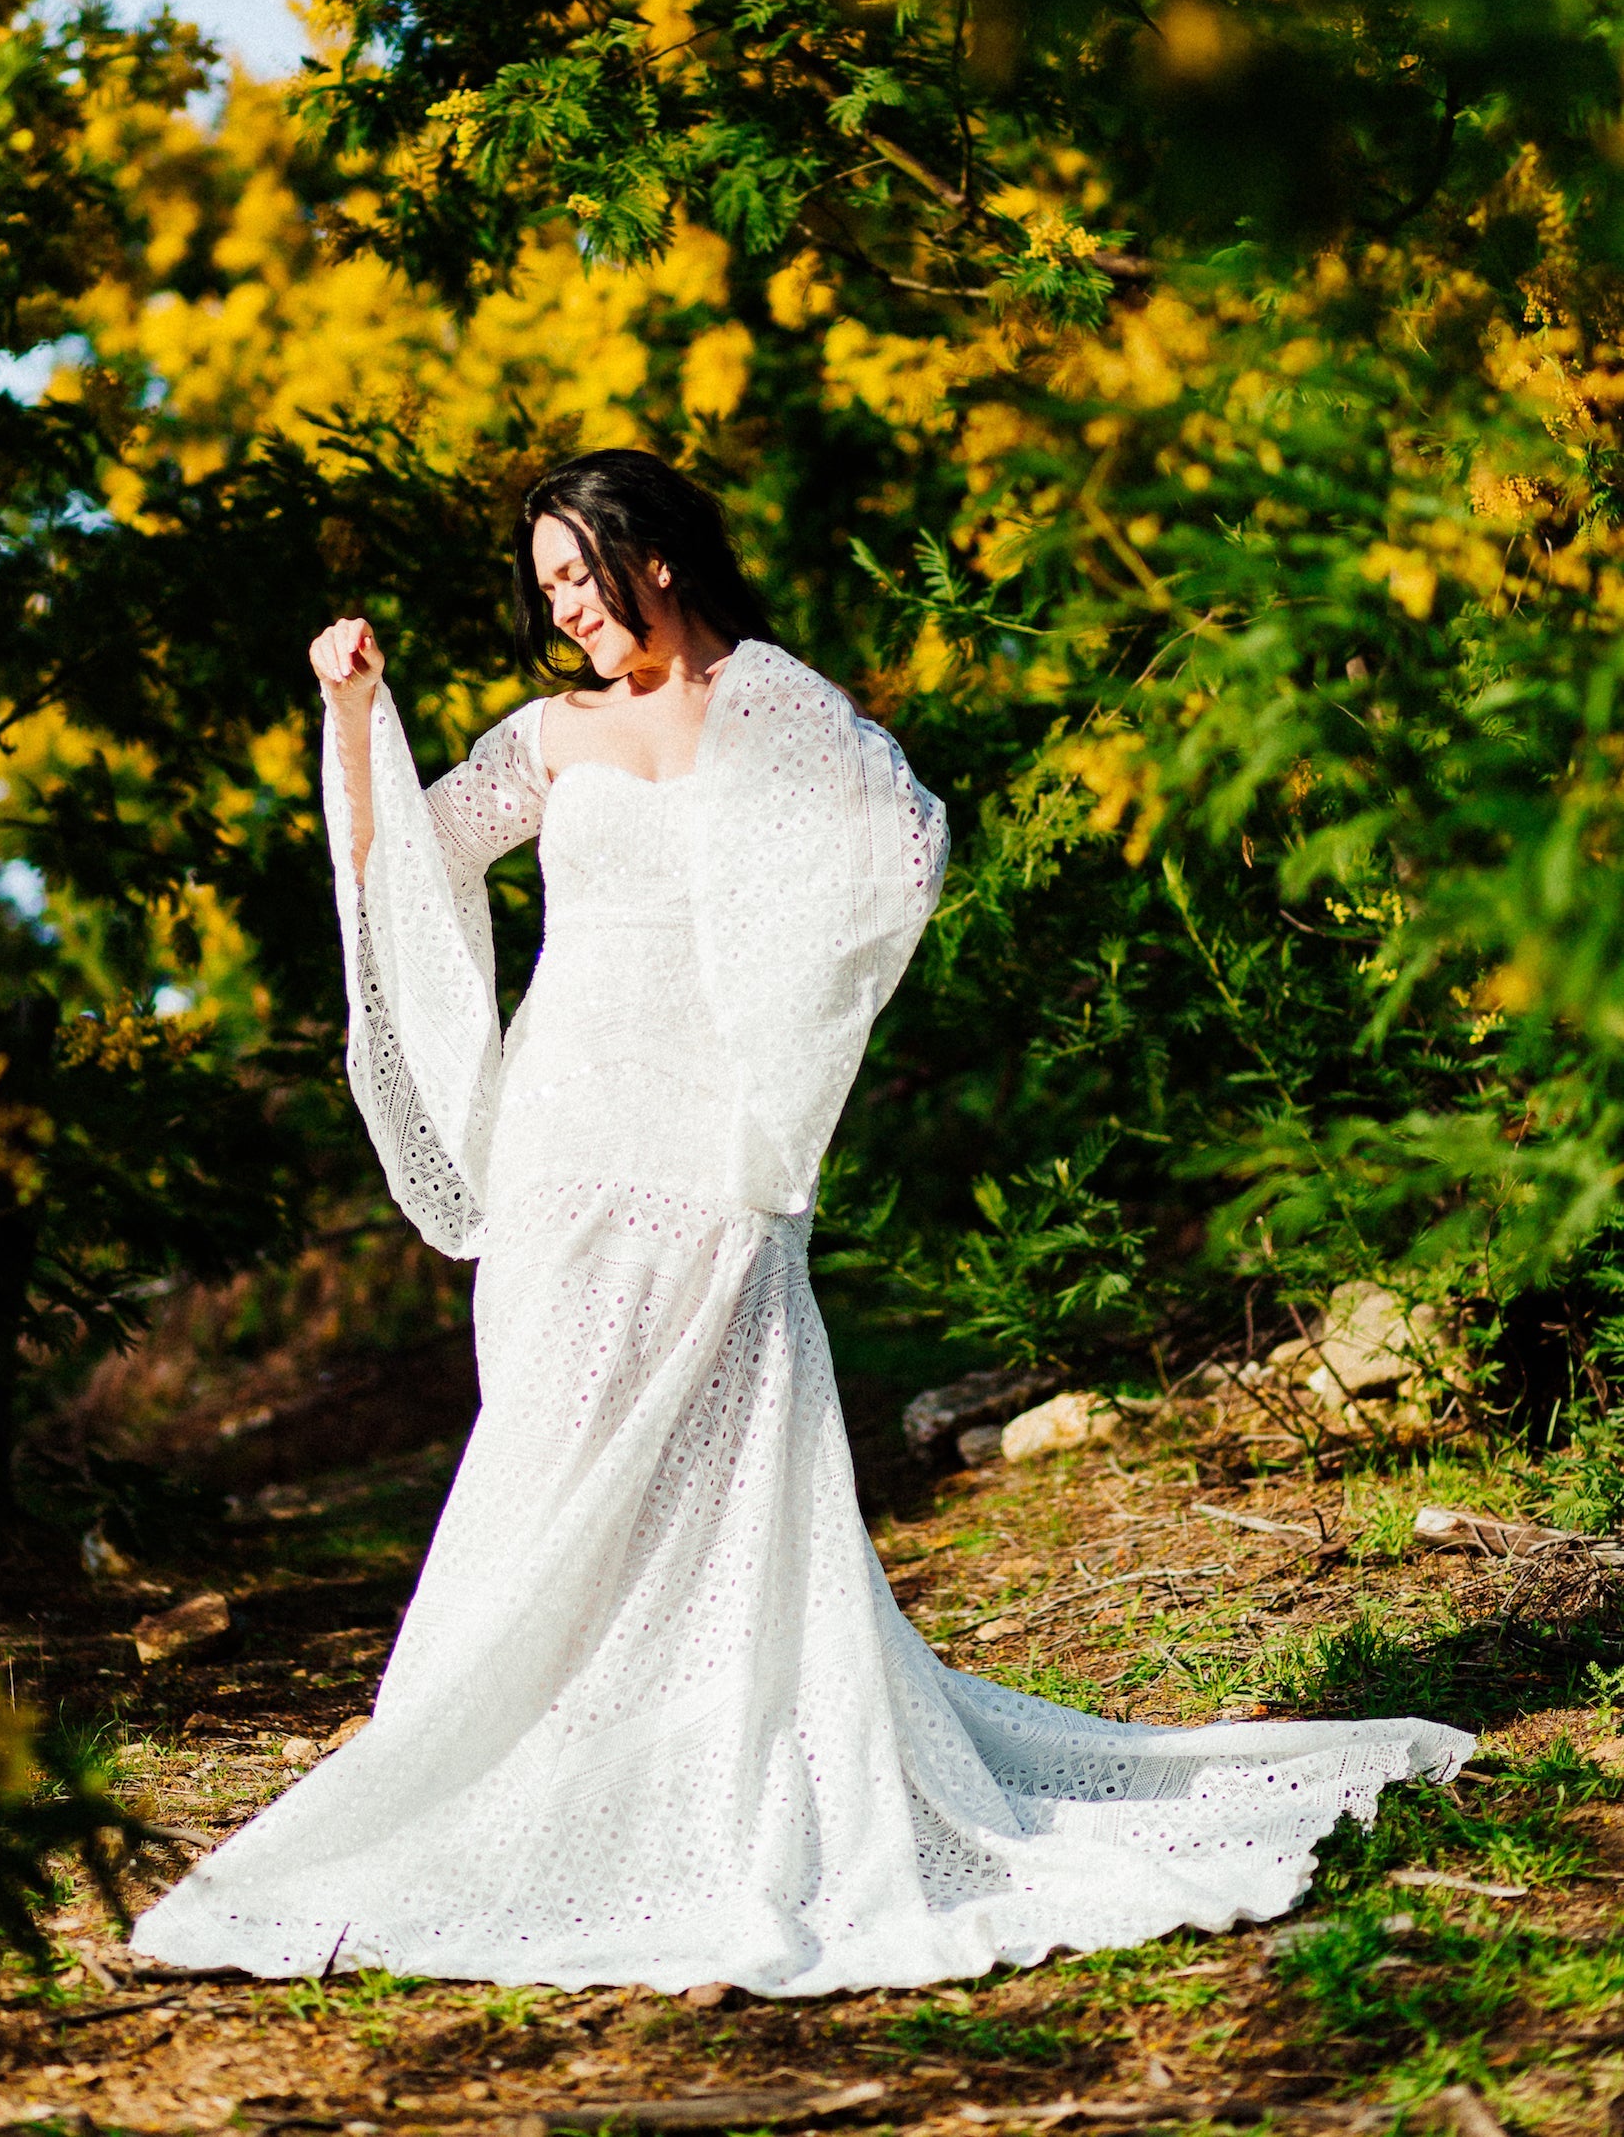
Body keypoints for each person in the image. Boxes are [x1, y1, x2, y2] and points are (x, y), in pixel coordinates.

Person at [131, 448, 1470, 1992]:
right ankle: (529, 1769)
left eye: (580, 574)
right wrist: (354, 714)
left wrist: (777, 1025)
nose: (564, 609)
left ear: (657, 555)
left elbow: (901, 849)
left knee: (722, 1457)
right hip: (568, 1133)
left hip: (714, 1140)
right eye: (546, 587)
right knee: (551, 1436)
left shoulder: (775, 707)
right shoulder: (550, 736)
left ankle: (713, 1769)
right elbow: (400, 875)